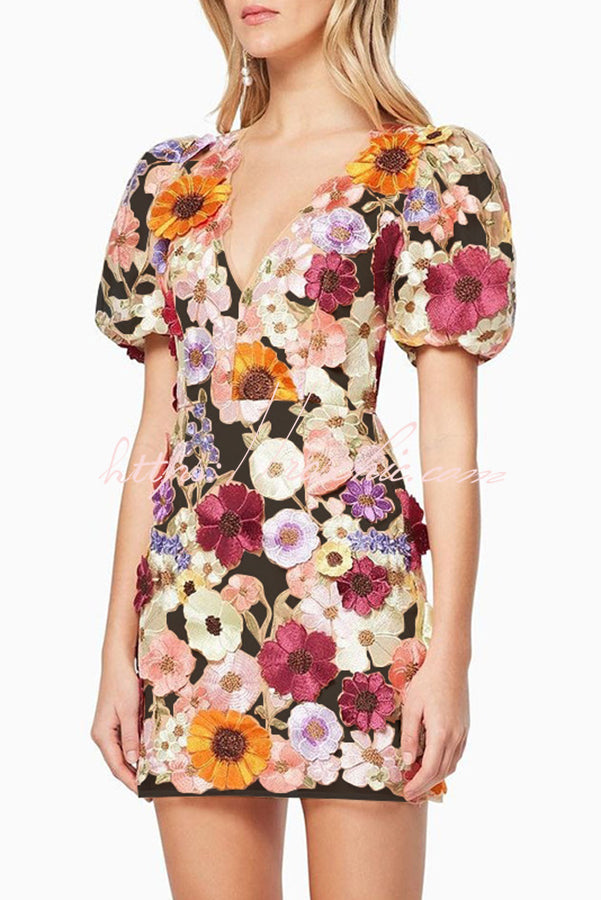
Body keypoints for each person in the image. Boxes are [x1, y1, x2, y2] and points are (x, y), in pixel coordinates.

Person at [92, 1, 516, 897]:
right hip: (189, 616)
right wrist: (114, 654)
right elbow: (155, 434)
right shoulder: (170, 178)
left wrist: (451, 656)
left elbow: (450, 437)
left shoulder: (429, 169)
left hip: (355, 607)